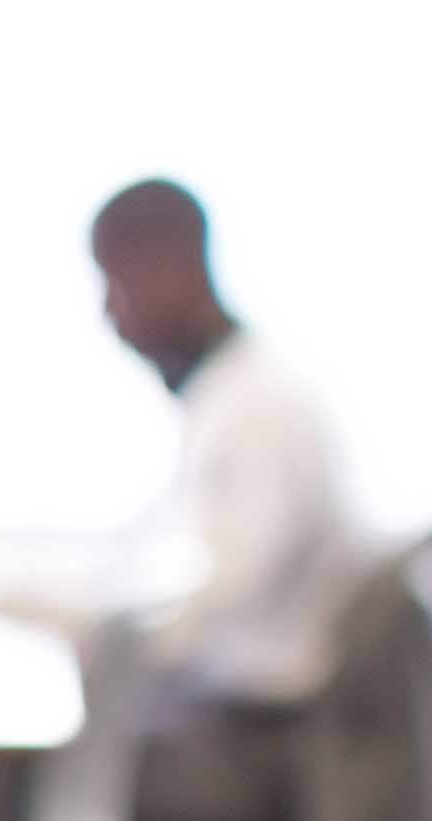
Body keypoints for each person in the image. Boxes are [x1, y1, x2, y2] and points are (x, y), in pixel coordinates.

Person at [79, 176, 373, 714]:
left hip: (263, 727)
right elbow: (141, 565)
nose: (110, 316)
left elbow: (211, 606)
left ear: (170, 270)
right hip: (241, 708)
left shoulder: (259, 408)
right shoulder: (224, 398)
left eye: (114, 284)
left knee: (36, 773)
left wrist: (93, 628)